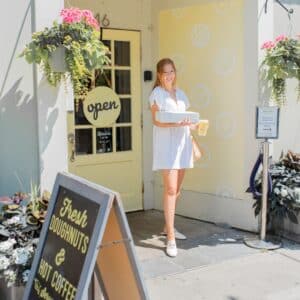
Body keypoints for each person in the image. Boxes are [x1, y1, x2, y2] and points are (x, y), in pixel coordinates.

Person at [149, 58, 196, 257]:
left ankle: (167, 226)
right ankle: (170, 238)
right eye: (165, 72)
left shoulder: (182, 95)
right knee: (169, 189)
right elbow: (157, 121)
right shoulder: (156, 94)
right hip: (167, 147)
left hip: (182, 145)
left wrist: (194, 125)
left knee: (176, 190)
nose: (169, 75)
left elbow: (190, 121)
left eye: (172, 71)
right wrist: (178, 124)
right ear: (159, 75)